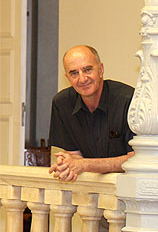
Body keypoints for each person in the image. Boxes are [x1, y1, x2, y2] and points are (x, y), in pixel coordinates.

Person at [49, 45, 134, 181]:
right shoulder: (62, 103)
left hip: (128, 186)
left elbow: (136, 160)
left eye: (87, 70)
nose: (82, 79)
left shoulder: (128, 100)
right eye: (74, 73)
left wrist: (84, 164)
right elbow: (75, 157)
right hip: (90, 188)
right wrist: (67, 164)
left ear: (101, 70)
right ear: (67, 77)